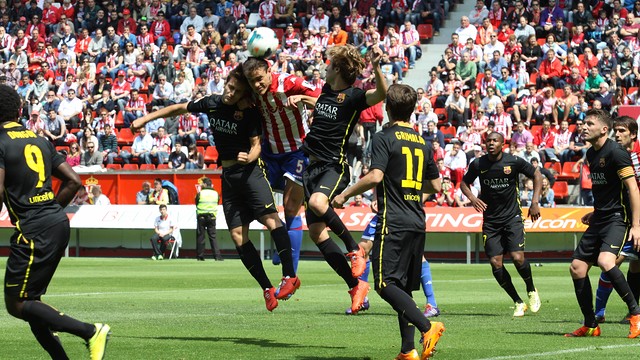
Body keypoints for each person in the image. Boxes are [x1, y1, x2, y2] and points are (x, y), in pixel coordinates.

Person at [131, 66, 301, 311]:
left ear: (244, 94)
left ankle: (289, 275)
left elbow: (256, 145)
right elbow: (177, 108)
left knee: (271, 220)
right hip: (229, 175)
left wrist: (250, 157)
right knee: (237, 236)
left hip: (251, 172)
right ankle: (266, 288)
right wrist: (145, 119)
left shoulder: (248, 112)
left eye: (237, 90)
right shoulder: (211, 103)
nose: (230, 93)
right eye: (230, 87)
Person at [332, 84, 444, 360]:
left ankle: (427, 326)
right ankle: (408, 350)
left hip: (392, 220)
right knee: (403, 287)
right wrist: (412, 196)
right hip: (417, 219)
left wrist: (344, 195)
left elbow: (375, 177)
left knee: (384, 284)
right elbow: (437, 184)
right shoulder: (422, 142)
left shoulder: (384, 137)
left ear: (387, 108)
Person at [0, 84, 110, 359]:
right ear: (20, 110)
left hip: (35, 229)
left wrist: (36, 217)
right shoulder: (39, 140)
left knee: (16, 303)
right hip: (56, 222)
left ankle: (90, 331)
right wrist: (49, 210)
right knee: (31, 301)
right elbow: (74, 182)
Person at [299, 44, 386, 313]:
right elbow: (326, 107)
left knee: (317, 202)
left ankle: (354, 249)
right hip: (310, 168)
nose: (324, 67)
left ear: (336, 68)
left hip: (332, 166)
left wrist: (377, 66)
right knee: (316, 233)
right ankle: (355, 285)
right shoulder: (326, 92)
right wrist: (303, 100)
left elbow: (381, 93)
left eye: (328, 64)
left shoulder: (354, 97)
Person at [242, 56, 322, 273]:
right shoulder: (251, 91)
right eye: (252, 82)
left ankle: (291, 274)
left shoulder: (290, 83)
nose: (257, 85)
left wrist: (302, 98)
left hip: (297, 151)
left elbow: (324, 103)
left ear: (269, 71)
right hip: (269, 152)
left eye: (260, 79)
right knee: (258, 203)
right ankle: (283, 241)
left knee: (290, 206)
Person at [564, 109, 640, 338]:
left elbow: (633, 189)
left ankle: (635, 315)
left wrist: (636, 226)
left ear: (603, 129)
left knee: (606, 261)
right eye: (583, 123)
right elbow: (603, 190)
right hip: (601, 218)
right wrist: (595, 213)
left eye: (589, 123)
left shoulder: (617, 153)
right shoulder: (590, 154)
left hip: (618, 218)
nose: (583, 127)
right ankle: (591, 325)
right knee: (577, 267)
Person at [460, 131, 543, 317]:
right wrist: (473, 198)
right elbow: (464, 183)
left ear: (502, 143)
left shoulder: (513, 161)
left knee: (517, 257)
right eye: (488, 140)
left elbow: (537, 176)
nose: (491, 143)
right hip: (490, 221)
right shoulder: (479, 164)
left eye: (494, 140)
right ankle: (518, 301)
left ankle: (531, 289)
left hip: (512, 217)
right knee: (495, 263)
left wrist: (535, 202)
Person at [593, 116, 640, 324]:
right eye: (616, 131)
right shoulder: (614, 155)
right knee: (617, 262)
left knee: (628, 264)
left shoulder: (637, 156)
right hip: (626, 218)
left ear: (633, 134)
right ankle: (600, 312)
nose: (618, 135)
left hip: (635, 221)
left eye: (622, 131)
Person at [195, 177, 222, 261]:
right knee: (213, 237)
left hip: (201, 217)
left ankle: (200, 256)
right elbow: (217, 202)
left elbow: (196, 202)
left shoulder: (200, 193)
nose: (201, 185)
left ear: (205, 184)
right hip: (212, 217)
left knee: (201, 237)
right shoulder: (216, 193)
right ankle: (217, 256)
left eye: (202, 184)